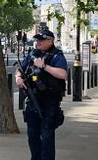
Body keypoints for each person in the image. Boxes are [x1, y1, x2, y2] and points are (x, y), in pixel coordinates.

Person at [15, 29, 67, 160]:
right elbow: (19, 69)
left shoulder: (57, 56)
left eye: (41, 40)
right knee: (32, 134)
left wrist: (44, 66)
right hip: (33, 99)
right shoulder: (33, 54)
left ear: (50, 41)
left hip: (49, 100)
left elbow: (63, 74)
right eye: (37, 40)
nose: (38, 43)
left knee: (47, 134)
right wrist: (18, 78)